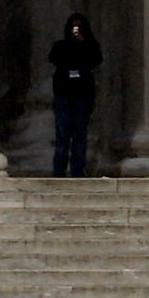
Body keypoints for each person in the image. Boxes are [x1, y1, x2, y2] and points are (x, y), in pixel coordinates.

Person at [45, 12, 102, 176]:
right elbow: (55, 58)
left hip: (82, 93)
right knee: (62, 132)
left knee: (79, 133)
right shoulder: (60, 46)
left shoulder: (90, 46)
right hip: (64, 93)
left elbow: (95, 59)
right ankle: (59, 169)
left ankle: (78, 168)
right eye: (73, 26)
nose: (75, 30)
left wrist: (83, 44)